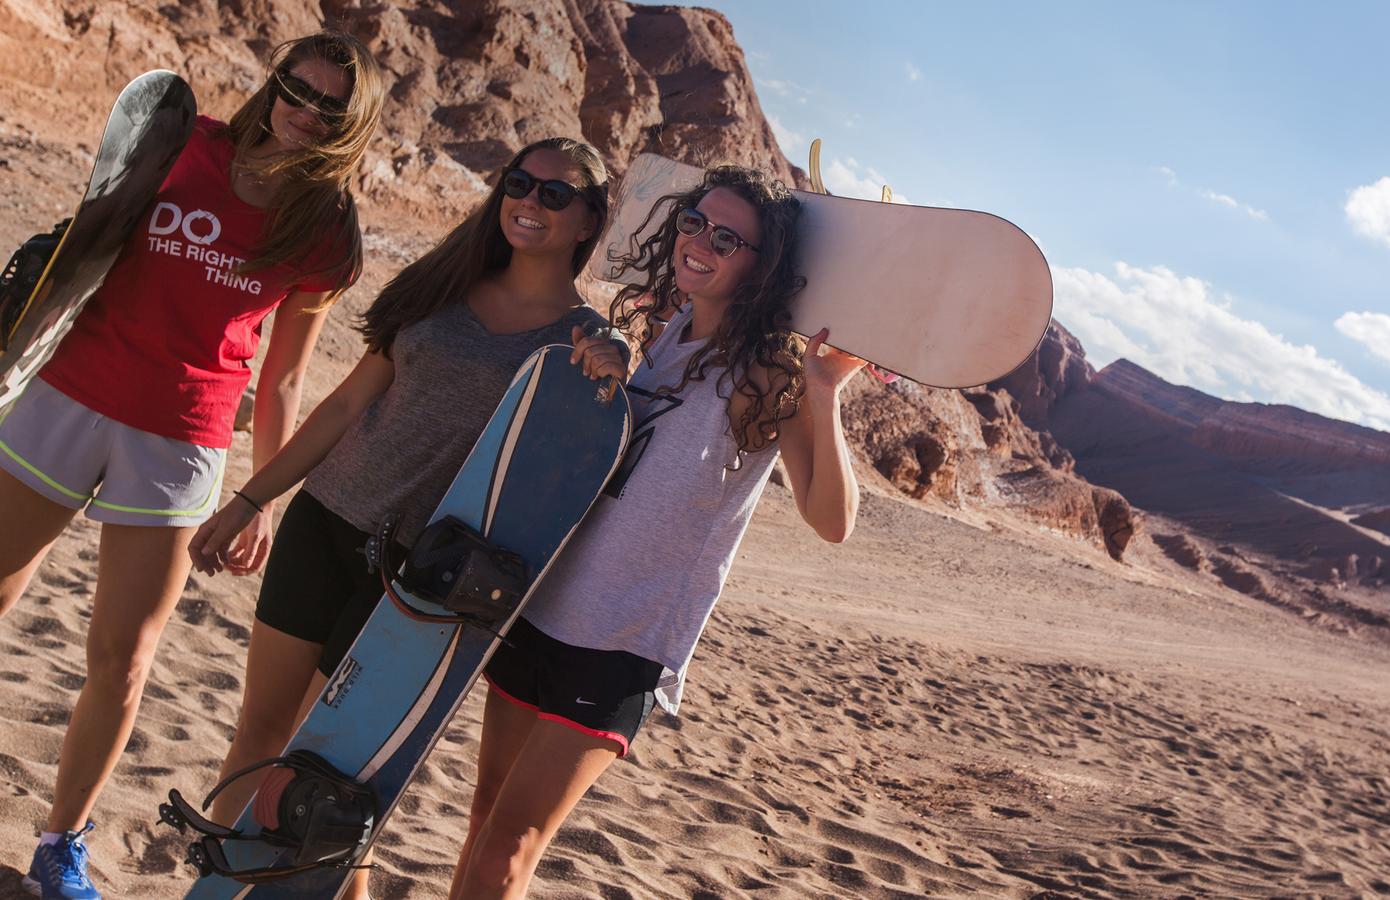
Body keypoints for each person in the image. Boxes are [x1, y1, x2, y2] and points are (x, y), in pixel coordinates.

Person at [0, 32, 382, 900]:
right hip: (69, 397)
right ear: (273, 81)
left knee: (124, 660)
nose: (305, 111)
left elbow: (282, 376)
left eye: (330, 107)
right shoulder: (183, 144)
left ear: (350, 126)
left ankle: (61, 844)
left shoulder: (325, 230)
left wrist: (262, 499)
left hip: (179, 442)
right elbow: (81, 253)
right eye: (297, 88)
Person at [186, 136, 620, 900]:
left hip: (414, 575)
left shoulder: (577, 347)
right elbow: (350, 401)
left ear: (589, 219)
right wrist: (255, 497)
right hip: (323, 521)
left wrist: (616, 360)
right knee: (260, 736)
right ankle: (217, 887)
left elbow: (582, 461)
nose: (530, 202)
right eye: (520, 183)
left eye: (556, 194)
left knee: (328, 772)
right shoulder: (441, 287)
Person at [446, 165, 867, 899]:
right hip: (542, 605)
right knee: (485, 822)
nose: (700, 242)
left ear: (761, 267)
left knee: (506, 851)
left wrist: (824, 393)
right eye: (695, 223)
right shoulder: (667, 333)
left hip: (623, 642)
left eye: (728, 238)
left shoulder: (771, 370)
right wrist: (605, 380)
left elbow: (833, 521)